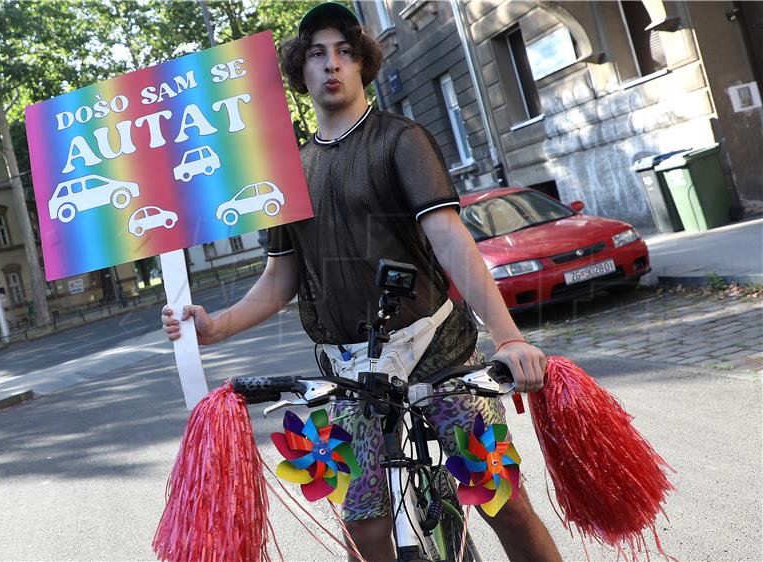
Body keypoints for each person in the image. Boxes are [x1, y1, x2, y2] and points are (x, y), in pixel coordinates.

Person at [162, 3, 562, 561]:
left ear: (362, 66)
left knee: (501, 500)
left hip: (437, 356)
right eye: (318, 54)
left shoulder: (402, 140)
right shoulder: (286, 172)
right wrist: (215, 327)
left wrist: (510, 337)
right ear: (301, 71)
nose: (332, 65)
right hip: (349, 374)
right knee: (365, 528)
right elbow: (280, 279)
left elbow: (450, 240)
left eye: (345, 52)